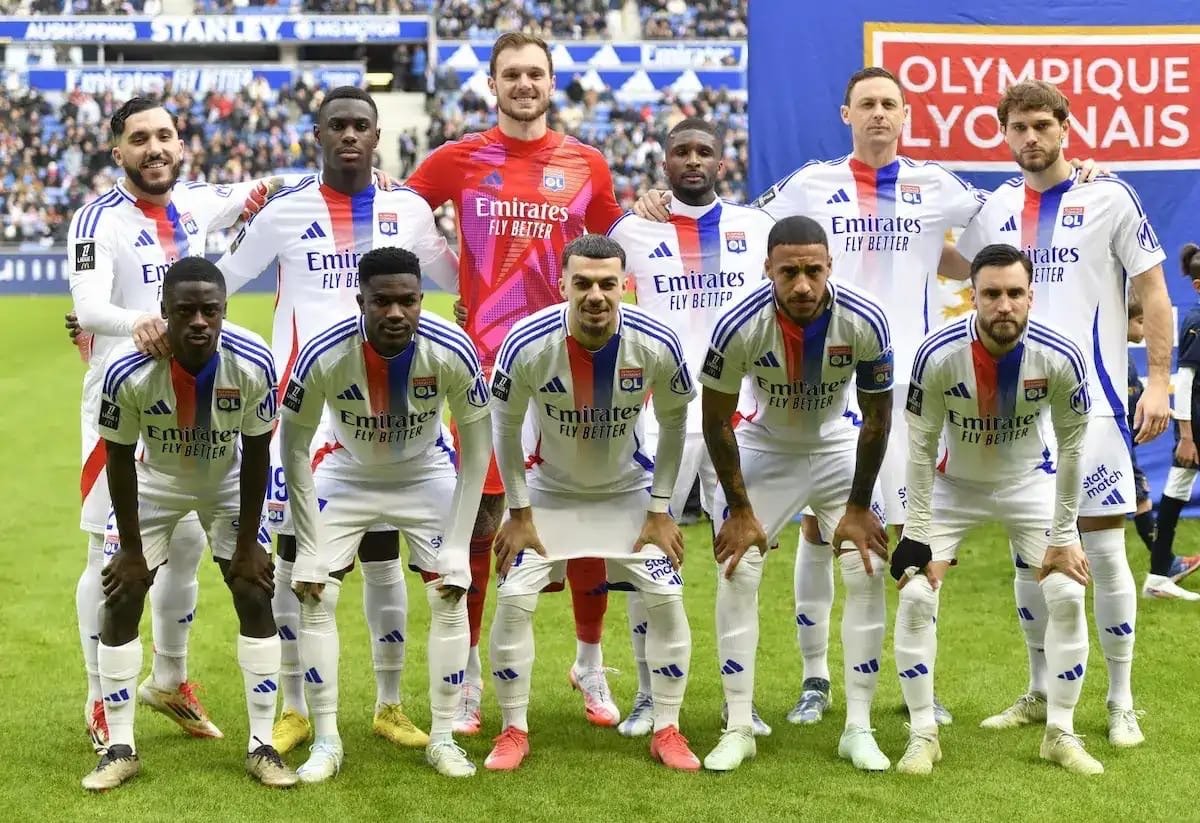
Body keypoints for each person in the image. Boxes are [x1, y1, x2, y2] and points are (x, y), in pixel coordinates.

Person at [217, 86, 460, 756]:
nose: (349, 135)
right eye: (337, 125)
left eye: (360, 125)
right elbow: (218, 281)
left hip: (387, 408)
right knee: (295, 561)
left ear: (377, 136)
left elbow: (455, 274)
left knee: (383, 555)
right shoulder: (284, 212)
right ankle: (295, 708)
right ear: (317, 135)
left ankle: (389, 704)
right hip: (301, 412)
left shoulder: (407, 210)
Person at [403, 32, 627, 733]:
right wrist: (452, 279)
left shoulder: (586, 163)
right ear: (493, 85)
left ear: (552, 83)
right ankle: (469, 676)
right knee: (479, 522)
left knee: (587, 515)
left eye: (535, 73)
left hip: (568, 367)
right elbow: (398, 218)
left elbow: (619, 250)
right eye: (512, 74)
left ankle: (589, 663)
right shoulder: (458, 158)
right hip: (486, 369)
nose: (524, 84)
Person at [954, 80, 1174, 746]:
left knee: (1103, 550)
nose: (1031, 137)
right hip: (1015, 414)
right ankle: (1039, 689)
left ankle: (1121, 700)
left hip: (1095, 408)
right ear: (1003, 133)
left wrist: (1157, 382)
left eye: (1042, 125)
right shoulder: (995, 206)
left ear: (1065, 128)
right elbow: (953, 265)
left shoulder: (1108, 195)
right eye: (1018, 127)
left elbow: (1154, 292)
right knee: (1031, 557)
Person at [68, 96, 284, 749]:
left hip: (199, 392)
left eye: (165, 135)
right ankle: (100, 698)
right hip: (121, 400)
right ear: (117, 151)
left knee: (187, 544)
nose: (155, 147)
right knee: (108, 555)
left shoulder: (196, 201)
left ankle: (169, 680)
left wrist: (366, 177)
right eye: (139, 138)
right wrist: (139, 321)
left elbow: (264, 186)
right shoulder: (97, 218)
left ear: (181, 144)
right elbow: (87, 305)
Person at [484, 234, 700, 772]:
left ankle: (668, 728)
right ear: (562, 285)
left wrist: (660, 509)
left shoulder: (656, 342)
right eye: (582, 283)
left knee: (667, 596)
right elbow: (503, 427)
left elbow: (675, 424)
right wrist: (519, 512)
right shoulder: (526, 343)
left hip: (627, 493)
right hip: (548, 493)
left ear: (625, 285)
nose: (595, 296)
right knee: (514, 597)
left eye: (607, 284)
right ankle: (513, 730)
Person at [82, 259, 296, 790]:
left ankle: (262, 745)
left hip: (227, 481)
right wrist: (132, 551)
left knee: (254, 589)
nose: (199, 321)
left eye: (210, 310)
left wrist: (248, 544)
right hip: (155, 482)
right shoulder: (127, 369)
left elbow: (256, 453)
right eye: (185, 311)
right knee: (123, 592)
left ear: (224, 310)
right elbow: (118, 458)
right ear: (164, 312)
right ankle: (119, 748)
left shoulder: (252, 362)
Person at [279, 247, 492, 780]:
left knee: (450, 590)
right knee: (316, 591)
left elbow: (478, 449)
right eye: (382, 302)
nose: (396, 313)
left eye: (408, 301)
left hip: (425, 471)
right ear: (361, 301)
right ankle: (326, 741)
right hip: (346, 471)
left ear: (421, 299)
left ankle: (443, 738)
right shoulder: (324, 352)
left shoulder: (452, 348)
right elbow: (294, 448)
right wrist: (309, 545)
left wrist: (457, 545)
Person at [697, 216, 893, 772]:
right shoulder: (738, 324)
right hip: (767, 447)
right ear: (768, 270)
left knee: (867, 566)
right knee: (738, 568)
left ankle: (858, 728)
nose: (803, 285)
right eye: (789, 273)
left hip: (837, 446)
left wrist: (858, 508)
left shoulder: (865, 319)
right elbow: (716, 420)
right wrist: (739, 509)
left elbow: (878, 419)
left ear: (830, 266)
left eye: (813, 270)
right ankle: (738, 726)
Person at [893, 243, 1098, 775]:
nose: (1003, 305)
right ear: (972, 297)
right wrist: (916, 532)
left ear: (1031, 296)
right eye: (991, 294)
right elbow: (920, 448)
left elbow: (1073, 449)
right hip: (951, 488)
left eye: (1014, 293)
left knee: (1066, 593)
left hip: (1030, 483)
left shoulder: (1060, 354)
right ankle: (923, 735)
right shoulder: (937, 354)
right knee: (915, 595)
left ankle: (1060, 732)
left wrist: (1064, 534)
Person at [606, 116, 775, 737]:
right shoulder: (633, 228)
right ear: (664, 162)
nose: (694, 161)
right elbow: (583, 282)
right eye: (682, 152)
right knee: (647, 556)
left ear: (723, 163)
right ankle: (648, 694)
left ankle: (740, 701)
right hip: (660, 417)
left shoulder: (756, 226)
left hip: (739, 417)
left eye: (705, 151)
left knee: (741, 560)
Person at [1144, 244, 1200, 600]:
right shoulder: (1196, 322)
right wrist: (1187, 436)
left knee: (1177, 490)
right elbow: (1186, 381)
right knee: (1176, 490)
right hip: (1195, 429)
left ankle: (1158, 575)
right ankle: (1157, 576)